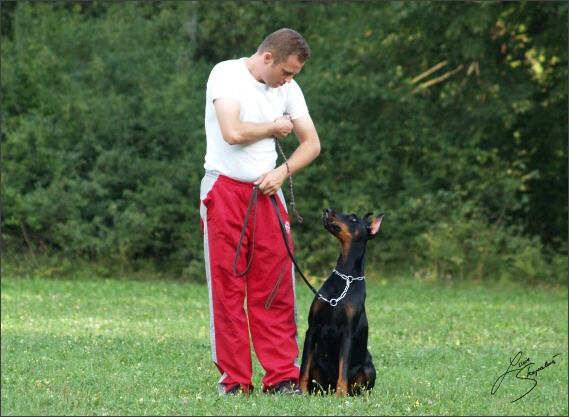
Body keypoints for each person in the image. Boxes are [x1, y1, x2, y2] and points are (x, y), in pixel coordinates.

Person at [199, 28, 321, 396]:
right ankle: (235, 382)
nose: (289, 80)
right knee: (228, 290)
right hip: (225, 190)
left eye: (294, 75)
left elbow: (311, 143)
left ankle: (282, 376)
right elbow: (231, 131)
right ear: (268, 58)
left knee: (276, 288)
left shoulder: (287, 89)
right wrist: (274, 126)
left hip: (267, 195)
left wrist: (282, 172)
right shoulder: (226, 74)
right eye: (287, 72)